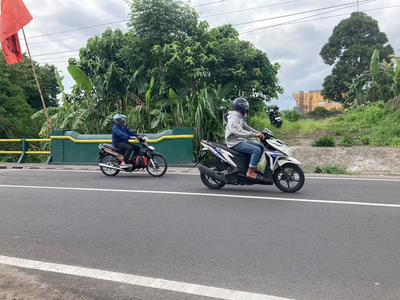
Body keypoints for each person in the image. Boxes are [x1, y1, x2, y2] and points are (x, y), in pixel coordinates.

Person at [225, 98, 266, 181]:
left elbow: (246, 127)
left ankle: (253, 166)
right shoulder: (234, 119)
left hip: (240, 140)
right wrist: (253, 134)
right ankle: (250, 171)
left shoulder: (239, 117)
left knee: (261, 147)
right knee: (256, 150)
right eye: (245, 105)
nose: (246, 107)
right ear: (240, 106)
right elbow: (238, 131)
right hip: (234, 143)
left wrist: (258, 132)